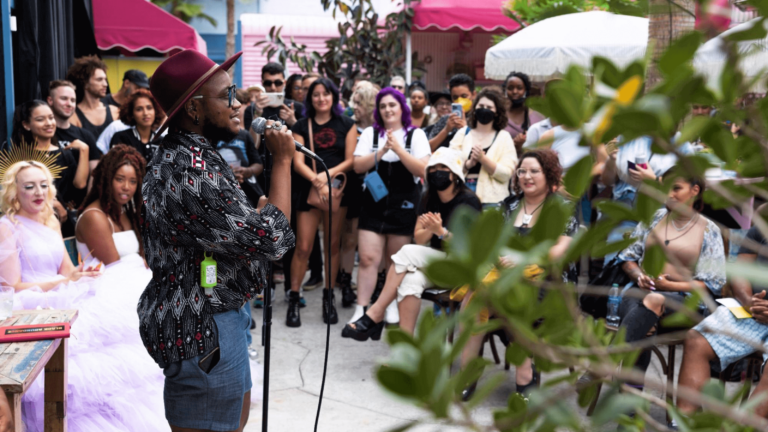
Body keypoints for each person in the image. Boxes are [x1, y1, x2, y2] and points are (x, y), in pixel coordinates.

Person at [141, 49, 295, 432]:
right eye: (226, 94)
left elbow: (247, 232)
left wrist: (257, 215)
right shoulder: (187, 171)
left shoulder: (198, 156)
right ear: (194, 109)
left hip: (223, 311)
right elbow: (273, 239)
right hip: (202, 323)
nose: (238, 102)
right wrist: (285, 163)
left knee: (233, 420)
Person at [0, 160, 169, 431]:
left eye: (43, 185)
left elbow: (69, 270)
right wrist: (65, 280)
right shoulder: (7, 227)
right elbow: (11, 287)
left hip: (63, 293)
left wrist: (82, 274)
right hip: (29, 302)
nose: (38, 192)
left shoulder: (51, 221)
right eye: (29, 187)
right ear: (14, 191)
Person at [459, 149, 577, 399]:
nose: (527, 176)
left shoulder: (562, 206)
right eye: (522, 171)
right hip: (504, 277)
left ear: (549, 174)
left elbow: (560, 250)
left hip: (548, 282)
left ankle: (522, 371)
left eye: (535, 171)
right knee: (475, 296)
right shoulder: (510, 205)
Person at [342, 148, 481, 339]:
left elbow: (471, 248)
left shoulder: (469, 202)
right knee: (410, 282)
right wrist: (432, 230)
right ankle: (405, 351)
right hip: (440, 266)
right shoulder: (428, 199)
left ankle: (375, 313)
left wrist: (442, 232)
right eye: (432, 168)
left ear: (455, 173)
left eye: (443, 168)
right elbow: (420, 237)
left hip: (464, 267)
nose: (436, 172)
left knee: (406, 251)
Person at [614, 168, 725, 393]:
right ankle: (629, 408)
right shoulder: (655, 218)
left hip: (685, 302)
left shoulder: (709, 230)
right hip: (640, 293)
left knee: (652, 302)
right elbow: (627, 258)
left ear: (695, 191)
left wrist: (669, 286)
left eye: (676, 188)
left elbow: (713, 284)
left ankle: (607, 368)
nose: (668, 194)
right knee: (646, 320)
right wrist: (640, 276)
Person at [351, 87, 432, 324]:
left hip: (405, 204)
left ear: (402, 108)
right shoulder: (370, 134)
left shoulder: (415, 135)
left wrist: (397, 149)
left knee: (395, 260)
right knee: (367, 258)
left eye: (392, 105)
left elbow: (422, 169)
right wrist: (382, 151)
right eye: (383, 106)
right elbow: (357, 166)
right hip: (373, 204)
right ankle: (361, 307)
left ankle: (390, 306)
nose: (388, 110)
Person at [676, 223, 768, 422]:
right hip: (752, 310)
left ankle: (745, 427)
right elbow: (741, 271)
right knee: (697, 339)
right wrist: (748, 301)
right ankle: (683, 422)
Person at [286, 78, 357, 327]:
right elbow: (297, 162)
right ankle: (294, 297)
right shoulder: (301, 125)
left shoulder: (347, 124)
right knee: (304, 247)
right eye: (315, 95)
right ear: (310, 99)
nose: (321, 99)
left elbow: (350, 160)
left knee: (333, 245)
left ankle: (329, 297)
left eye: (325, 94)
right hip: (309, 190)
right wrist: (318, 182)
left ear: (334, 96)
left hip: (336, 189)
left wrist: (326, 178)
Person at [601, 136, 694, 264]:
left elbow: (688, 186)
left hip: (659, 212)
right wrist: (612, 161)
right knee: (614, 262)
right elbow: (606, 181)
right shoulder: (629, 137)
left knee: (651, 265)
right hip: (625, 210)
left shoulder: (682, 144)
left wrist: (654, 179)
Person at [11, 101, 90, 233]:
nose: (49, 123)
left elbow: (80, 184)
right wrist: (52, 203)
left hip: (63, 222)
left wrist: (84, 150)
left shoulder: (65, 155)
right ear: (26, 125)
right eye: (40, 119)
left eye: (51, 117)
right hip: (32, 223)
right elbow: (16, 193)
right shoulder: (22, 158)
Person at [336, 83, 379, 307]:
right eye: (354, 102)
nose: (355, 107)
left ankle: (376, 284)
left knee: (374, 238)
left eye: (360, 103)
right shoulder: (349, 126)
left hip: (377, 187)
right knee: (350, 237)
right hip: (353, 186)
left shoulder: (382, 129)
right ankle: (345, 284)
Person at [449, 87, 517, 207]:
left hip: (492, 201)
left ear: (496, 112)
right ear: (474, 108)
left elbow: (506, 173)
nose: (484, 110)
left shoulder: (504, 137)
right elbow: (449, 164)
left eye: (489, 108)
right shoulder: (463, 133)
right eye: (481, 106)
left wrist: (483, 159)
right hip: (462, 196)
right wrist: (467, 165)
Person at [48, 80, 102, 172]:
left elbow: (94, 174)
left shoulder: (86, 136)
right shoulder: (42, 133)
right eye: (64, 98)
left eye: (73, 100)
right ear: (50, 100)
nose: (69, 104)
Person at [66, 55, 120, 139]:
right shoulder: (73, 115)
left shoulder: (115, 112)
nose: (105, 84)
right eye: (99, 80)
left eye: (105, 79)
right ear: (85, 83)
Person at [109, 88, 166, 161]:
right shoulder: (121, 138)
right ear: (131, 113)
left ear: (155, 111)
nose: (145, 113)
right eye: (139, 109)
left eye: (149, 108)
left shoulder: (162, 142)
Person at [427, 74, 472, 150]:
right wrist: (446, 129)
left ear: (473, 94)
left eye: (464, 96)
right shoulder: (445, 119)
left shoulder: (479, 119)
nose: (460, 100)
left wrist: (465, 129)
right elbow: (427, 148)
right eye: (455, 97)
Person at [503, 71, 545, 154]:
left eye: (519, 88)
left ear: (526, 91)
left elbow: (544, 148)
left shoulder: (538, 118)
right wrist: (513, 145)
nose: (515, 91)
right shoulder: (498, 116)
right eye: (510, 88)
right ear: (505, 91)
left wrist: (526, 145)